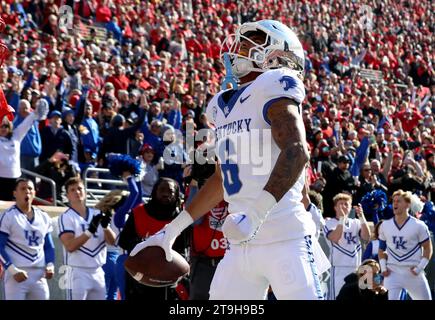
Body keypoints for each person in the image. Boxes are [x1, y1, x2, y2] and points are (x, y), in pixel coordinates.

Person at [130, 20, 330, 300]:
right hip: (240, 243)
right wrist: (171, 230)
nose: (239, 49)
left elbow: (296, 151)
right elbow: (223, 178)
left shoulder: (274, 84)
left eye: (250, 43)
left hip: (285, 237)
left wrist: (256, 214)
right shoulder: (223, 105)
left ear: (276, 54)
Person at [118, 177, 188, 300]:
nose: (166, 194)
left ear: (176, 195)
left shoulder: (180, 220)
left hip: (167, 281)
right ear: (154, 192)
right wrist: (144, 246)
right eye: (162, 190)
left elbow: (183, 249)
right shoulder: (138, 212)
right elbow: (123, 241)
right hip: (138, 278)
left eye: (170, 191)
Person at [58, 177, 116, 300]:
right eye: (72, 190)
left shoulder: (97, 213)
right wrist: (90, 232)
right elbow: (70, 246)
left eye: (79, 189)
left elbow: (113, 242)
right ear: (67, 195)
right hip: (75, 271)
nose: (77, 192)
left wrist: (106, 228)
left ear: (85, 191)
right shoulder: (66, 217)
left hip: (98, 270)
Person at [0, 178, 55, 300]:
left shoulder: (44, 217)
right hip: (16, 275)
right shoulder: (9, 216)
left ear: (35, 192)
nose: (27, 192)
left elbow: (49, 246)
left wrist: (50, 265)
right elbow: (0, 246)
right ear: (15, 193)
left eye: (30, 188)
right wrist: (12, 270)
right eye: (23, 189)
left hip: (39, 275)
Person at [378, 189, 433, 300]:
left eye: (399, 201)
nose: (395, 203)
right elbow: (381, 249)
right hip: (393, 272)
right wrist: (383, 267)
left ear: (407, 204)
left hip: (413, 273)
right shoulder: (385, 225)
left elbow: (428, 248)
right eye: (394, 201)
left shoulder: (419, 225)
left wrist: (419, 267)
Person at [323, 193, 371, 299]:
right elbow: (335, 238)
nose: (344, 206)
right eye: (341, 204)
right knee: (337, 297)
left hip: (355, 267)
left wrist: (361, 216)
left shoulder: (356, 222)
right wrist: (341, 219)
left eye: (347, 204)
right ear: (335, 207)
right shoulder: (329, 223)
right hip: (338, 267)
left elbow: (366, 237)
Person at [0, 99, 48, 200]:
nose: (3, 128)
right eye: (0, 126)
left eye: (5, 126)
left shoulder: (16, 136)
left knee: (14, 208)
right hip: (0, 179)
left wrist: (37, 111)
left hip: (15, 179)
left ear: (9, 127)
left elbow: (28, 121)